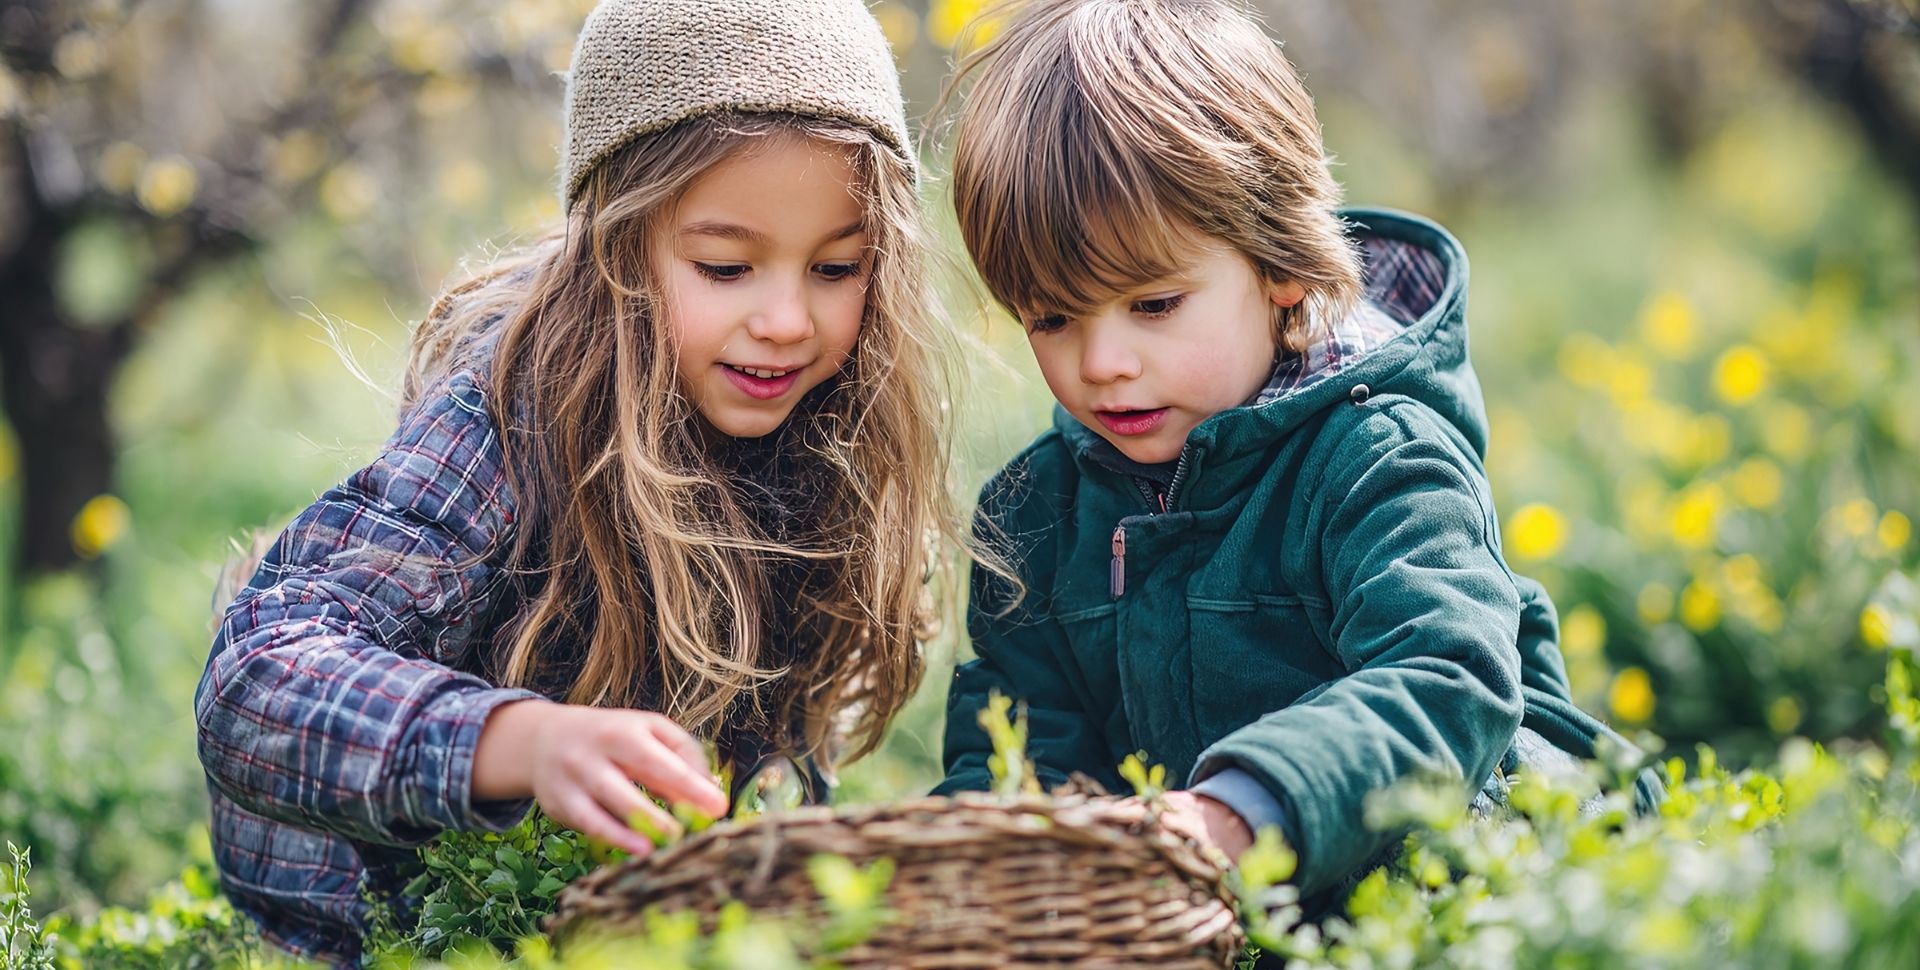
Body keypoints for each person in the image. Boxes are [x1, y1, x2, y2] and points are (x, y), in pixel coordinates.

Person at [193, 0, 958, 962]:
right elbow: (252, 678)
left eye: (837, 267)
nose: (787, 319)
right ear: (613, 244)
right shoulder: (508, 420)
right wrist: (515, 742)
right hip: (362, 921)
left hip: (577, 918)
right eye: (725, 267)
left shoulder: (816, 428)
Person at [932, 0, 1661, 905]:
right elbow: (1017, 751)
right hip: (1223, 915)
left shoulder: (1373, 456)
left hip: (1474, 872)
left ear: (1280, 266)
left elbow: (1448, 676)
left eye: (1154, 305)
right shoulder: (1038, 516)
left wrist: (1245, 809)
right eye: (1051, 317)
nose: (1103, 364)